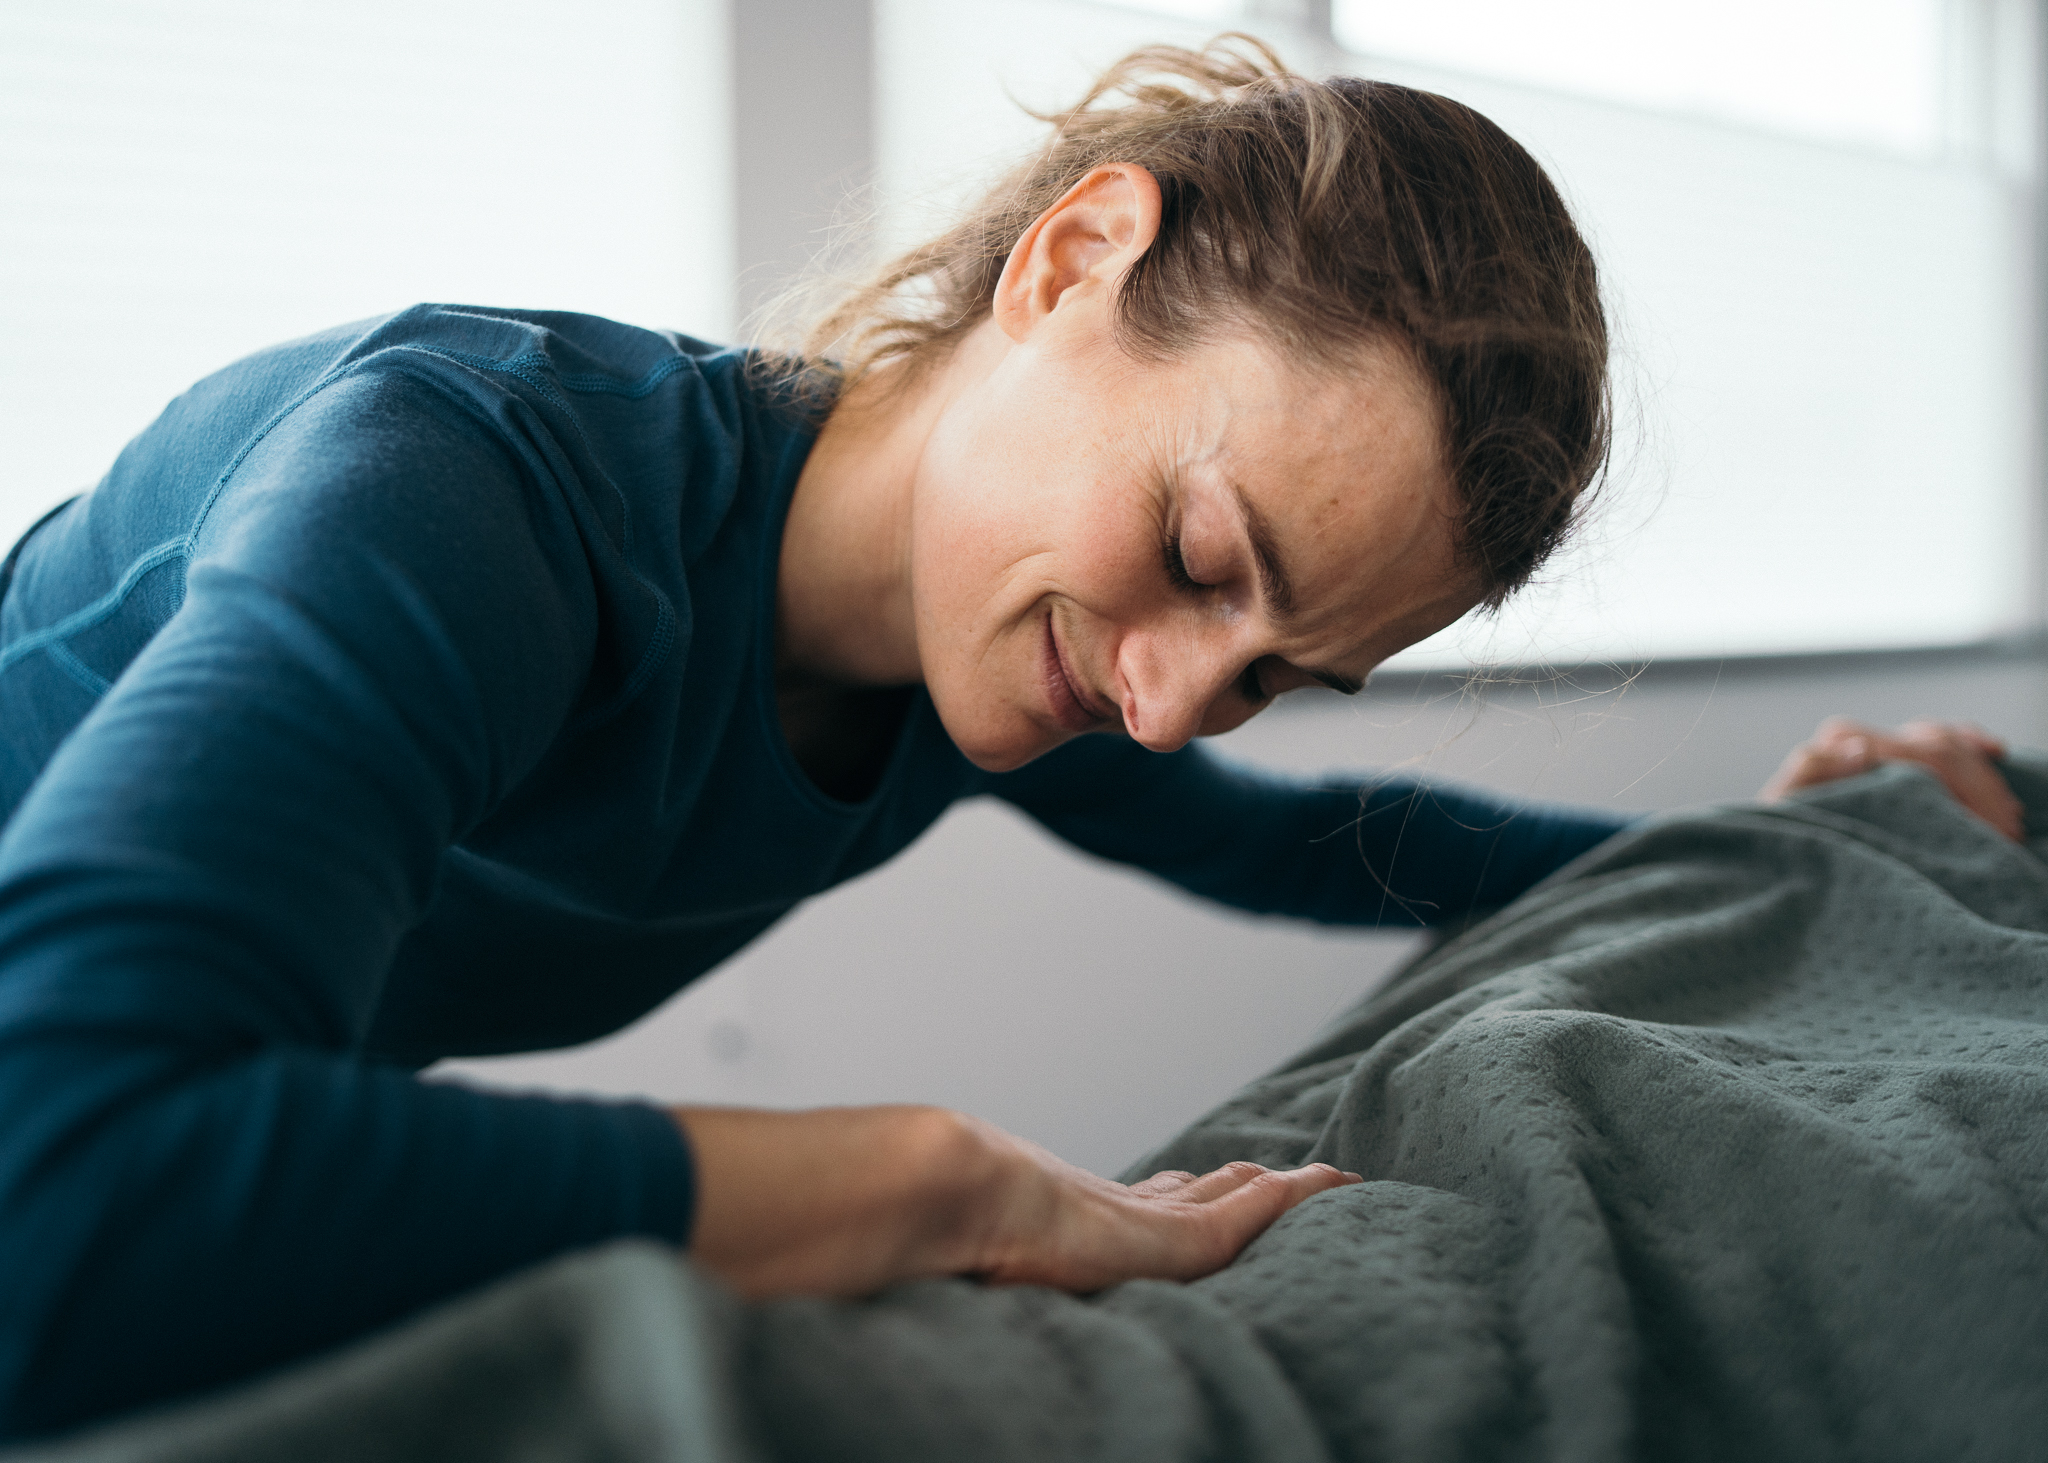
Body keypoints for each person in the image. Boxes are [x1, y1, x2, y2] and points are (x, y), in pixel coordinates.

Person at [0, 36, 2020, 1442]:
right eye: (1199, 554)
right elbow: (54, 1181)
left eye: (1260, 676)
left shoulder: (1004, 661)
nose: (1160, 706)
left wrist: (1759, 844)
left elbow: (1315, 846)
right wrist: (930, 1183)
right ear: (1070, 260)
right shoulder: (462, 487)